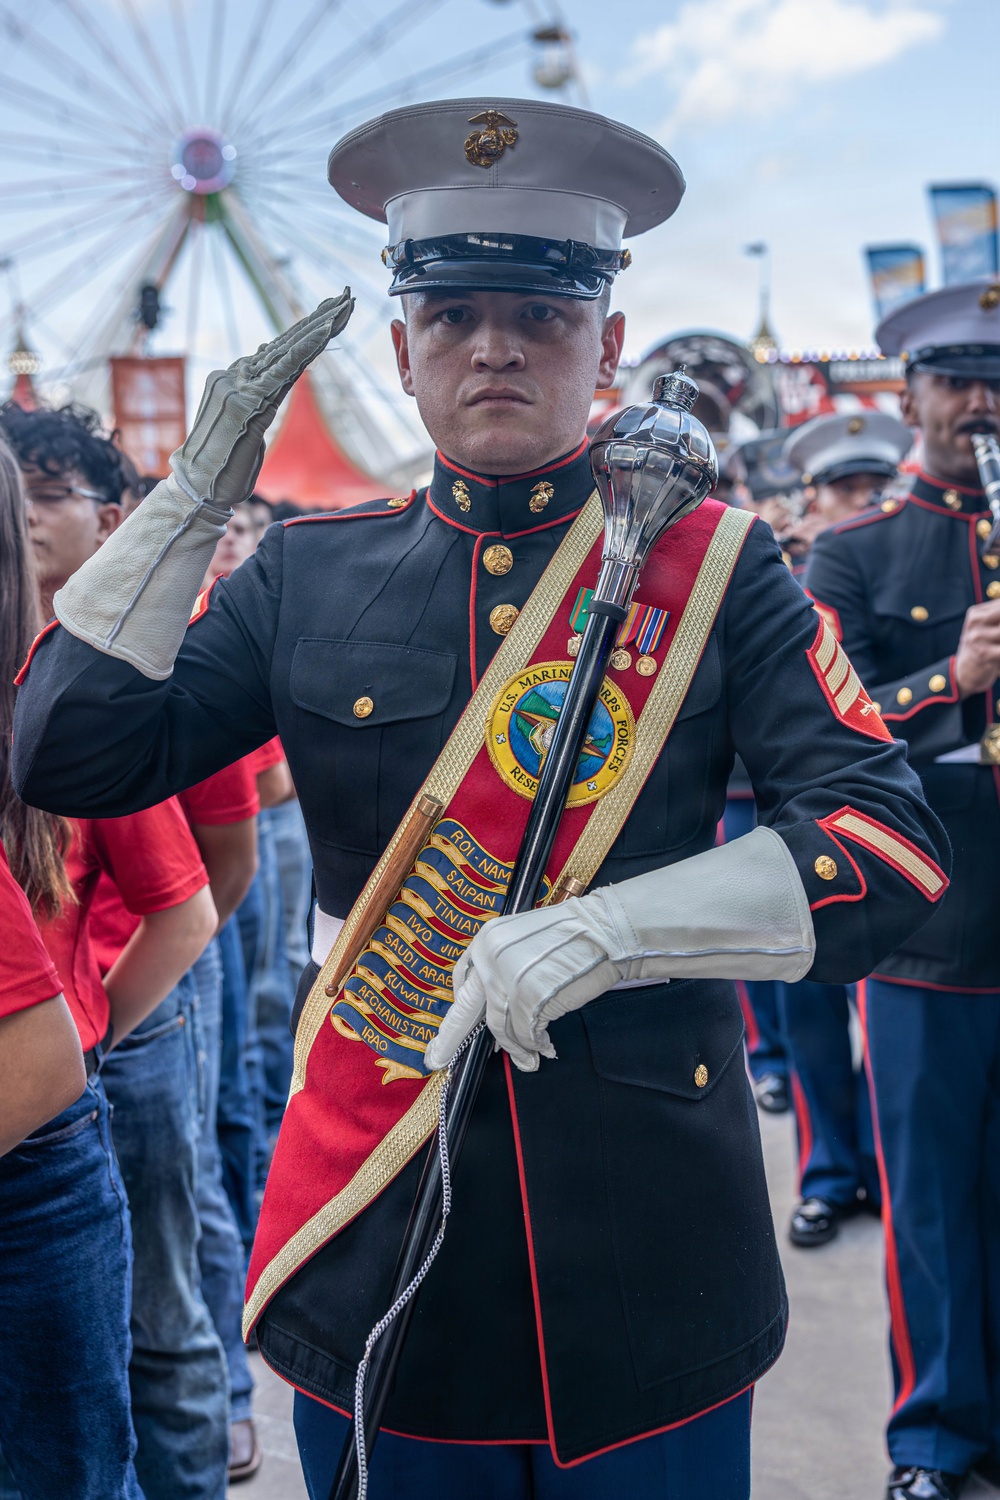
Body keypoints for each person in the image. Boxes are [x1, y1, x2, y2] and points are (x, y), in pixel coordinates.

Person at [13, 100, 949, 1499]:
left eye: (540, 311)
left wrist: (614, 930)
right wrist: (192, 491)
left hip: (650, 1250)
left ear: (609, 343)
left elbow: (885, 845)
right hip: (379, 1235)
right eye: (452, 317)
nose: (495, 345)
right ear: (400, 351)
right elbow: (65, 753)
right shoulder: (300, 576)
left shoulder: (722, 567)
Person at [0, 401, 228, 1500]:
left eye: (55, 495)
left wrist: (92, 1042)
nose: (36, 519)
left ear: (111, 520)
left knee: (159, 1313)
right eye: (23, 497)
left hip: (82, 1075)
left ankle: (212, 1439)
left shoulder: (109, 675)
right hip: (54, 1079)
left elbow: (211, 880)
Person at [806, 281, 1000, 1500]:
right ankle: (933, 1435)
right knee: (926, 1201)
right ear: (913, 396)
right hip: (929, 931)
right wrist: (952, 674)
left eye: (994, 384)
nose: (978, 404)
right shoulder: (856, 548)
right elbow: (830, 731)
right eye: (956, 383)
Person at [768, 412, 914, 1248]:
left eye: (873, 487)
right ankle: (830, 1172)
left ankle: (880, 1161)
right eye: (846, 489)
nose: (861, 500)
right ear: (813, 494)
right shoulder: (778, 570)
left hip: (897, 820)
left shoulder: (882, 557)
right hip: (801, 824)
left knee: (890, 1021)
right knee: (815, 1013)